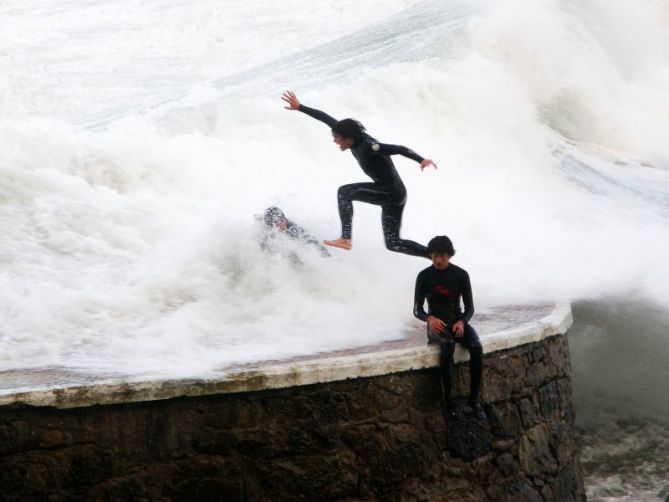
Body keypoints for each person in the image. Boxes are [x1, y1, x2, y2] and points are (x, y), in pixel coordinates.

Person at [282, 90, 437, 258]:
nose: (335, 141)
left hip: (390, 192)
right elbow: (325, 117)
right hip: (395, 194)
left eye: (337, 138)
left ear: (349, 138)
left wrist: (421, 160)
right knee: (393, 243)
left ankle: (346, 238)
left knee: (344, 192)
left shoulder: (370, 146)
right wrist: (300, 107)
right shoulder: (352, 137)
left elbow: (398, 149)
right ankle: (433, 256)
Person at [413, 235, 486, 420]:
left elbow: (470, 308)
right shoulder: (423, 276)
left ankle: (474, 400)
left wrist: (462, 322)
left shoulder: (461, 275)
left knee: (477, 347)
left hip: (456, 321)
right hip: (436, 325)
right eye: (435, 256)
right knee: (447, 345)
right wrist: (430, 318)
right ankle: (450, 402)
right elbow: (417, 309)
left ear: (450, 255)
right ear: (430, 255)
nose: (438, 260)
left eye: (443, 256)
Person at [260, 206, 331, 258]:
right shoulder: (268, 230)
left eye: (280, 221)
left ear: (285, 218)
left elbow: (314, 242)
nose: (279, 226)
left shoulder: (294, 230)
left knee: (293, 255)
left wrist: (327, 257)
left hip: (295, 256)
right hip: (276, 252)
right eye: (275, 224)